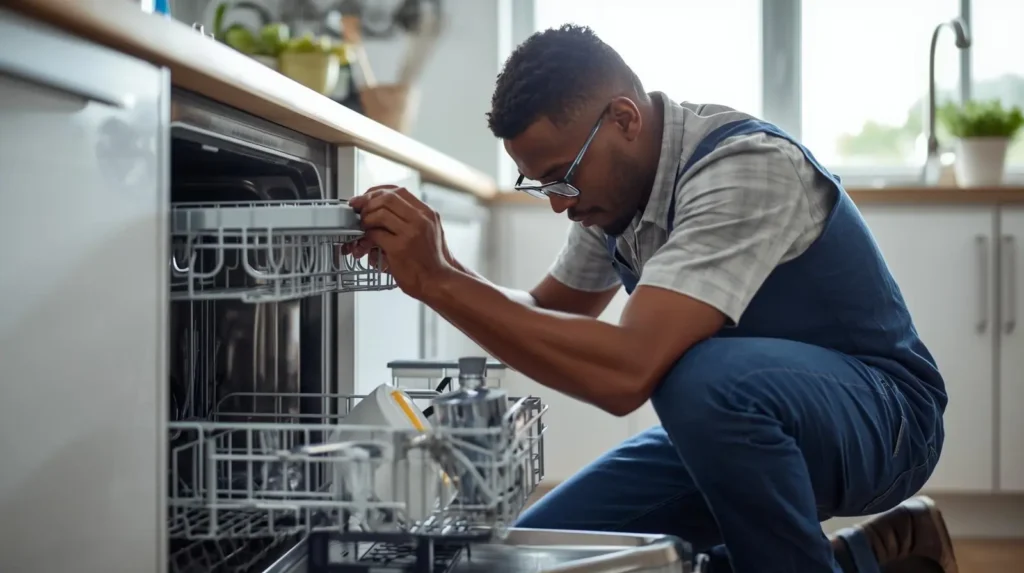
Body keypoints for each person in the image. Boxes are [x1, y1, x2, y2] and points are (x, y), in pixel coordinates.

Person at [345, 23, 958, 573]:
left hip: (887, 420)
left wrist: (441, 284)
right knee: (539, 557)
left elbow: (627, 371)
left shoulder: (745, 169)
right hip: (738, 426)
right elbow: (549, 315)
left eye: (563, 176)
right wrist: (438, 262)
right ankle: (858, 557)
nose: (560, 203)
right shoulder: (611, 200)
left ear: (624, 119)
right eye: (542, 186)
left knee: (699, 377)